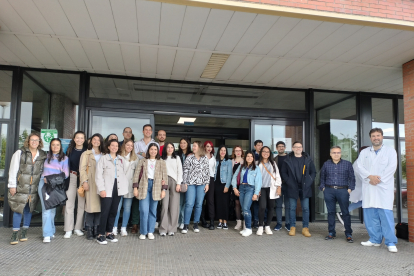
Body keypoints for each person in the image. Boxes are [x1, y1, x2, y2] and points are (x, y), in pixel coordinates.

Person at [356, 128, 398, 253]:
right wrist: (370, 177)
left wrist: (377, 179)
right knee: (370, 216)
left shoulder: (390, 151)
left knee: (386, 216)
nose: (376, 138)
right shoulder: (364, 153)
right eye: (373, 136)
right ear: (370, 138)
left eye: (378, 135)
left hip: (383, 188)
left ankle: (391, 242)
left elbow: (392, 167)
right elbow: (359, 166)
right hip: (369, 187)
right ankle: (375, 239)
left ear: (382, 137)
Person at [9, 133, 47, 245]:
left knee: (29, 210)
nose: (34, 142)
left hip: (34, 187)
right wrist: (12, 185)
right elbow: (13, 170)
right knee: (17, 210)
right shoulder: (20, 153)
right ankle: (15, 233)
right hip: (21, 186)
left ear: (39, 142)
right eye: (32, 140)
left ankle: (24, 232)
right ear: (28, 141)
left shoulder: (42, 155)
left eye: (37, 140)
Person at [95, 139, 128, 245]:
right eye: (112, 145)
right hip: (107, 187)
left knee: (114, 211)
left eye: (116, 146)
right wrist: (101, 189)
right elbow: (98, 175)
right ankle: (101, 234)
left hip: (118, 187)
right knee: (105, 211)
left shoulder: (121, 159)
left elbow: (124, 173)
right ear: (108, 147)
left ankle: (109, 233)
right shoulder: (103, 159)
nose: (114, 147)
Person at [319, 146, 355, 243]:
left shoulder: (347, 164)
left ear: (341, 153)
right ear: (330, 154)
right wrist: (323, 188)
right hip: (329, 190)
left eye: (338, 152)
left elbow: (352, 178)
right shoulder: (326, 164)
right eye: (334, 152)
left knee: (345, 213)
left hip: (343, 191)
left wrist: (350, 189)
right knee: (330, 212)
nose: (336, 154)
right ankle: (331, 232)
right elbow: (322, 178)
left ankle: (348, 233)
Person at [133, 143, 168, 240]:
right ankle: (143, 232)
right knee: (144, 210)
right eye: (151, 149)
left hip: (156, 187)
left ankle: (150, 231)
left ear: (157, 151)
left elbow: (165, 176)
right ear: (148, 150)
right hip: (144, 186)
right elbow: (136, 175)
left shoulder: (161, 162)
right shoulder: (143, 161)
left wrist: (163, 190)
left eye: (155, 149)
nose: (153, 151)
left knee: (153, 211)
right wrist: (135, 188)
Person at [281, 141, 316, 237]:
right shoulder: (287, 160)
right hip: (292, 187)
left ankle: (305, 228)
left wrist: (309, 181)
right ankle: (292, 227)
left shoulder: (308, 159)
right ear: (292, 148)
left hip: (305, 187)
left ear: (302, 148)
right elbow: (283, 173)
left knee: (305, 208)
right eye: (296, 147)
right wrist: (289, 182)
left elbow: (313, 172)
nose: (298, 148)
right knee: (292, 208)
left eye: (300, 147)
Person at [38, 138, 69, 243]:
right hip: (44, 184)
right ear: (50, 146)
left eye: (57, 145)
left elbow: (65, 174)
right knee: (46, 209)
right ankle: (47, 234)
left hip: (56, 185)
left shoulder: (64, 158)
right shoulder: (45, 157)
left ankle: (51, 230)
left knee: (52, 210)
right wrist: (46, 179)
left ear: (60, 147)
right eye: (53, 145)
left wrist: (52, 178)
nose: (55, 147)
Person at [231, 151, 262, 237]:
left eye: (251, 156)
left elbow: (258, 182)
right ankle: (246, 228)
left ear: (253, 158)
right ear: (245, 158)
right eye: (248, 156)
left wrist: (256, 193)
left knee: (246, 208)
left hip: (250, 188)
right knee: (243, 209)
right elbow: (234, 177)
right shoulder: (241, 167)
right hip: (241, 188)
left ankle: (248, 228)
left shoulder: (256, 168)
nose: (249, 158)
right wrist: (234, 188)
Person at [79, 133, 104, 240]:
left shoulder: (104, 154)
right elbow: (82, 169)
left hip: (102, 184)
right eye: (94, 139)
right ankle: (89, 229)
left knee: (99, 207)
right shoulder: (86, 154)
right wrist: (84, 181)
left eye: (98, 140)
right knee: (90, 207)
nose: (96, 141)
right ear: (91, 141)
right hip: (90, 183)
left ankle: (96, 228)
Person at [181, 141, 210, 234]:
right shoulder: (189, 158)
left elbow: (207, 172)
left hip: (201, 184)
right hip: (190, 184)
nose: (193, 147)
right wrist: (184, 182)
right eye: (193, 146)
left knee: (199, 204)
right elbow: (185, 170)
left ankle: (196, 224)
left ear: (200, 147)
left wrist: (207, 184)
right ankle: (185, 225)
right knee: (189, 204)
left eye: (195, 146)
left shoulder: (205, 158)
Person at [64, 130, 88, 238]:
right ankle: (68, 229)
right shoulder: (69, 150)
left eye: (82, 138)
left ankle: (78, 228)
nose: (79, 140)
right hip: (72, 177)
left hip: (83, 179)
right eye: (77, 137)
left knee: (81, 204)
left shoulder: (87, 151)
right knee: (69, 203)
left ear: (84, 139)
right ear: (74, 139)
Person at [113, 139, 139, 236]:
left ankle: (123, 227)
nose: (129, 147)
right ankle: (114, 227)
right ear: (124, 145)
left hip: (129, 186)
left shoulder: (135, 158)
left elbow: (137, 174)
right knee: (117, 208)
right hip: (119, 186)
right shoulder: (118, 156)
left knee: (127, 208)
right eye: (128, 145)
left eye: (131, 146)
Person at [256, 146, 281, 235]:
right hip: (261, 188)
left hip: (271, 188)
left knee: (271, 207)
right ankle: (260, 226)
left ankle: (267, 226)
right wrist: (256, 189)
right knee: (262, 207)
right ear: (261, 152)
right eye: (264, 151)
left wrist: (278, 187)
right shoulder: (257, 163)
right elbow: (255, 177)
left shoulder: (273, 163)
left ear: (269, 153)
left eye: (267, 152)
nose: (265, 153)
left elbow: (277, 176)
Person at [160, 142, 183, 236]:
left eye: (171, 147)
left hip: (174, 182)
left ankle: (172, 229)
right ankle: (163, 229)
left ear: (174, 149)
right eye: (168, 147)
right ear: (165, 149)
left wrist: (178, 183)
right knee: (164, 206)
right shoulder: (161, 159)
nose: (170, 149)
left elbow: (180, 171)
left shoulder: (177, 158)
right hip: (164, 182)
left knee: (174, 206)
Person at [274, 141, 290, 231]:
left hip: (287, 184)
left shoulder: (289, 158)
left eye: (282, 146)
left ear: (284, 147)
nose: (281, 148)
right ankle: (279, 223)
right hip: (277, 185)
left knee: (288, 205)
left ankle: (287, 223)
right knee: (278, 205)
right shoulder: (274, 159)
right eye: (279, 146)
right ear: (276, 148)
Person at [215, 146, 233, 230]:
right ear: (219, 151)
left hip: (224, 184)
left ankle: (225, 222)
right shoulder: (216, 161)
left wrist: (227, 186)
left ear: (226, 152)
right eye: (221, 150)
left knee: (225, 203)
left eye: (224, 150)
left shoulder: (228, 161)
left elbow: (230, 175)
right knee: (218, 203)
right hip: (217, 184)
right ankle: (220, 221)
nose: (223, 152)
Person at [176, 138, 192, 229]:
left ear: (188, 144)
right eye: (181, 143)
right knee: (179, 203)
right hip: (180, 181)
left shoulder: (191, 154)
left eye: (184, 143)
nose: (182, 144)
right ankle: (178, 221)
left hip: (189, 181)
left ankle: (183, 221)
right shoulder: (177, 154)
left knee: (187, 203)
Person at [200, 141, 216, 229]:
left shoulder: (214, 158)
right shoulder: (201, 157)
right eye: (207, 146)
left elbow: (214, 170)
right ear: (204, 147)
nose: (209, 148)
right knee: (202, 200)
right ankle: (202, 220)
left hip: (211, 179)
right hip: (202, 179)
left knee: (210, 200)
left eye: (211, 147)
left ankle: (212, 221)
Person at [230, 146, 244, 230]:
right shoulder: (231, 162)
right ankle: (238, 222)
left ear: (242, 152)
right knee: (237, 203)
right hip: (234, 185)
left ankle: (245, 222)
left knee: (244, 204)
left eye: (239, 150)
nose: (238, 152)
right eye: (236, 151)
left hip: (243, 185)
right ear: (234, 152)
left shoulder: (245, 161)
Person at [251, 139, 263, 228]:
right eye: (258, 145)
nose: (260, 147)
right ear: (255, 146)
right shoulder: (252, 156)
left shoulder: (265, 155)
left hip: (264, 183)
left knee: (263, 204)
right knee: (255, 203)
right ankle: (255, 220)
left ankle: (263, 220)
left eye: (261, 145)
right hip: (254, 182)